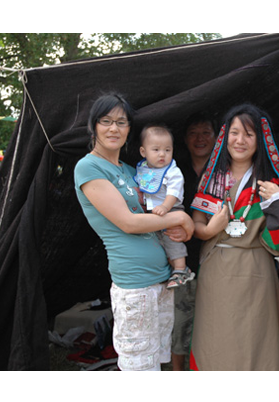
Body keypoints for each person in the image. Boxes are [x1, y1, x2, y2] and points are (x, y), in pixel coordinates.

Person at [74, 93, 194, 371]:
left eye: (121, 122)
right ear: (93, 126)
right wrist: (178, 217)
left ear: (129, 130)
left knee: (155, 362)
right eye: (106, 121)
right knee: (138, 367)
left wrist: (177, 221)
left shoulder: (132, 170)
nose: (114, 128)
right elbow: (127, 222)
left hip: (161, 281)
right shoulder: (89, 167)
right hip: (134, 284)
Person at [189, 103, 279, 370]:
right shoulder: (212, 178)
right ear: (225, 136)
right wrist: (213, 228)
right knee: (216, 340)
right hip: (216, 269)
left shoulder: (270, 183)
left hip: (256, 271)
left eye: (249, 134)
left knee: (256, 341)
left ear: (260, 140)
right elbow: (196, 227)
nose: (240, 140)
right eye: (235, 132)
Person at [170, 113, 217, 370]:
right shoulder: (173, 172)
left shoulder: (226, 171)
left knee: (213, 320)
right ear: (185, 140)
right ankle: (179, 371)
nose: (200, 139)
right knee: (180, 319)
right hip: (182, 259)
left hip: (219, 256)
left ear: (216, 137)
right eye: (193, 133)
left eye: (206, 132)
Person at [134, 124, 195, 289]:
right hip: (152, 213)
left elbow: (173, 193)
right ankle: (171, 269)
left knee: (171, 238)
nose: (162, 154)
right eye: (156, 150)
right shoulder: (143, 169)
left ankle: (182, 269)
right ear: (143, 152)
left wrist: (166, 208)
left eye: (167, 150)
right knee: (158, 242)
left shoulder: (172, 172)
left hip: (171, 210)